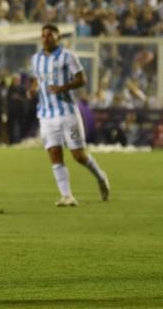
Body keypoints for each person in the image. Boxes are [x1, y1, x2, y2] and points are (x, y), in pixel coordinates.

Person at [28, 24, 110, 206]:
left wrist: (62, 88)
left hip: (67, 114)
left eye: (50, 35)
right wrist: (32, 89)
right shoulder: (36, 59)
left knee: (78, 155)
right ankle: (67, 196)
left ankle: (100, 176)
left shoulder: (68, 56)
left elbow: (82, 79)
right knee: (54, 153)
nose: (46, 38)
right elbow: (37, 80)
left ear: (58, 37)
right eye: (43, 35)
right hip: (46, 115)